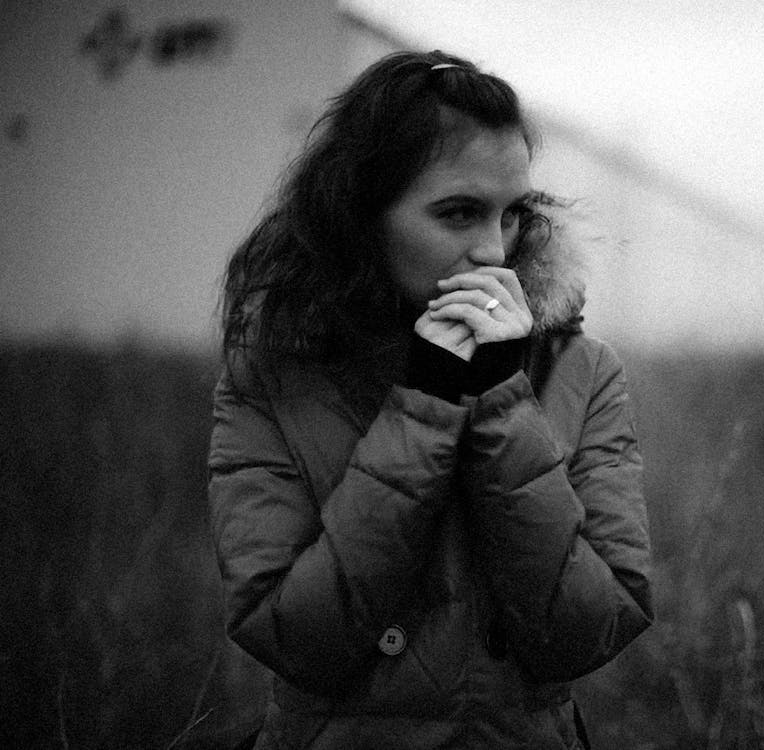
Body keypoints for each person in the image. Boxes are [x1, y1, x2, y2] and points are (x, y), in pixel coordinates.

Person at [207, 49, 653, 749]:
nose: (493, 254)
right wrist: (426, 401)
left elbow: (587, 632)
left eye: (512, 215)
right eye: (458, 213)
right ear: (361, 218)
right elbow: (295, 639)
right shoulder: (274, 376)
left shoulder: (581, 371)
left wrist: (502, 401)